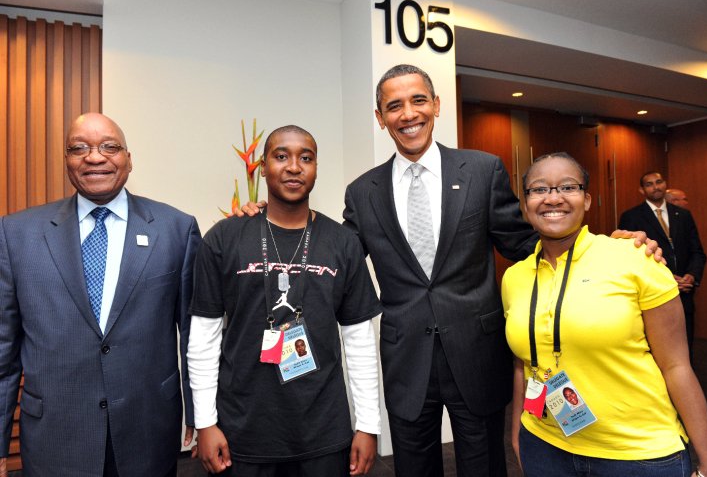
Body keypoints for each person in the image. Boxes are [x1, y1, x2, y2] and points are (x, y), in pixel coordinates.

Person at [238, 65, 662, 477]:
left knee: (483, 465)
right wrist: (268, 217)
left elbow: (524, 243)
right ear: (380, 118)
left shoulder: (481, 170)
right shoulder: (363, 191)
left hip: (477, 355)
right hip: (406, 361)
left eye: (418, 100)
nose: (408, 114)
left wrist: (603, 248)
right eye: (394, 106)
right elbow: (337, 255)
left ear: (437, 105)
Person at [0, 113, 200, 476]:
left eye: (109, 147)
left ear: (128, 157)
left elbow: (194, 337)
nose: (94, 157)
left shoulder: (177, 229)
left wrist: (203, 419)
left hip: (147, 429)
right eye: (80, 148)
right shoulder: (17, 234)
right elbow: (3, 352)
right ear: (66, 160)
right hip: (54, 436)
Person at [503, 152, 707, 477]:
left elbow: (676, 365)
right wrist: (519, 434)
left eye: (567, 187)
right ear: (525, 203)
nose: (553, 198)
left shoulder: (635, 259)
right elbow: (524, 363)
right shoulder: (515, 278)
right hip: (545, 446)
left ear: (587, 200)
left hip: (638, 455)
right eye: (539, 189)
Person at [188, 125, 382, 476]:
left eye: (305, 158)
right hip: (242, 432)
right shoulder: (224, 238)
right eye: (281, 156)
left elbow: (360, 342)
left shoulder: (342, 243)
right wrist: (205, 422)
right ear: (263, 166)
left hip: (323, 430)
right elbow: (203, 338)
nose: (294, 167)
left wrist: (368, 425)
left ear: (316, 167)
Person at [619, 172, 706, 360]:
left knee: (685, 351)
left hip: (684, 292)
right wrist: (667, 277)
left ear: (665, 184)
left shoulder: (683, 215)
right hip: (652, 293)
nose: (655, 187)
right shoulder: (631, 217)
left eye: (659, 182)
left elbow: (697, 251)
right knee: (658, 351)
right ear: (642, 190)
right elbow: (629, 258)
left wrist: (691, 275)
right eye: (649, 184)